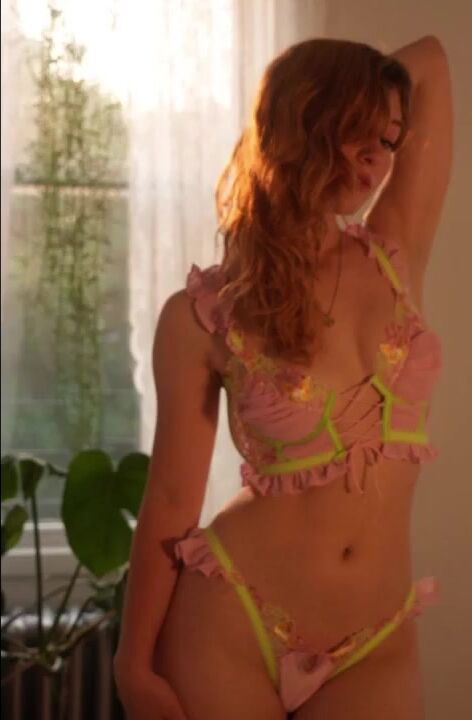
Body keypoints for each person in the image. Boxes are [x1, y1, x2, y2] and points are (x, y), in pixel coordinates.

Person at [113, 34, 453, 720]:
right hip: (233, 623)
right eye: (356, 131)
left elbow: (432, 61)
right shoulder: (203, 315)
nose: (375, 158)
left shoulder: (395, 250)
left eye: (388, 140)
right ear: (305, 122)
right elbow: (172, 498)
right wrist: (133, 662)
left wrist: (358, 85)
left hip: (376, 637)